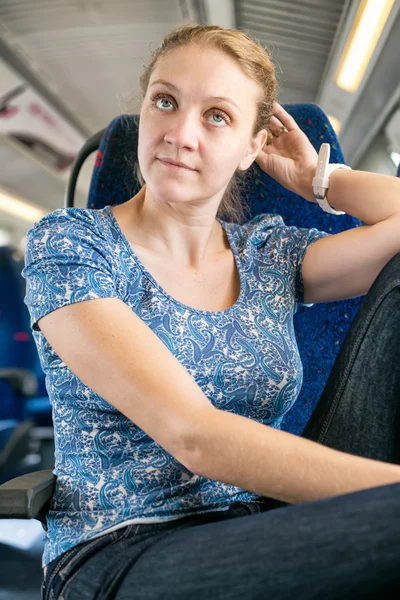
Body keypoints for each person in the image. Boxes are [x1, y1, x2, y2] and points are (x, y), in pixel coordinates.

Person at [22, 23, 400, 600]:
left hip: (259, 522)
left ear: (254, 147)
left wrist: (321, 180)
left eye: (217, 116)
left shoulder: (268, 253)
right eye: (165, 101)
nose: (180, 132)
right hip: (122, 548)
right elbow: (193, 436)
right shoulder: (73, 244)